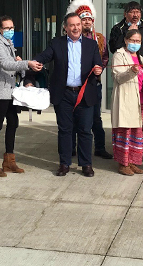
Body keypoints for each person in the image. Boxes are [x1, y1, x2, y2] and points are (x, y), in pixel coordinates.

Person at [32, 13, 103, 177]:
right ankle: (64, 163)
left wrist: (98, 70)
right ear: (65, 28)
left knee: (85, 130)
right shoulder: (57, 43)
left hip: (84, 94)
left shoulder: (91, 45)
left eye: (78, 24)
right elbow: (43, 56)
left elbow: (97, 64)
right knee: (65, 130)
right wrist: (31, 63)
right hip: (63, 94)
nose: (76, 28)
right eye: (72, 25)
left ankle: (86, 164)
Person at [0, 16, 41, 177]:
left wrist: (22, 65)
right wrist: (27, 63)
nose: (10, 31)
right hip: (0, 90)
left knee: (13, 122)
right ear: (0, 29)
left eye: (12, 28)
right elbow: (5, 64)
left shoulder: (9, 44)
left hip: (11, 90)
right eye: (7, 28)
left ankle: (9, 161)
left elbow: (14, 67)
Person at [66, 0, 112, 159]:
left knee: (95, 118)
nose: (87, 22)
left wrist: (98, 69)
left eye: (89, 19)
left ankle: (99, 147)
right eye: (83, 19)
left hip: (93, 84)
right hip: (74, 85)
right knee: (72, 119)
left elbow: (105, 56)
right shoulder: (72, 37)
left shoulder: (99, 38)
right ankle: (71, 148)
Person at [109, 1, 143, 157]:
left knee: (142, 121)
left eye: (138, 12)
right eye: (132, 12)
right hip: (127, 82)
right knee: (126, 122)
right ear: (125, 14)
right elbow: (113, 47)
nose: (135, 15)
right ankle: (124, 156)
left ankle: (141, 148)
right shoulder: (118, 29)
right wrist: (127, 33)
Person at [111, 30, 143, 176]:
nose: (135, 44)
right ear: (126, 40)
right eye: (133, 40)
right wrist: (131, 71)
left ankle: (132, 162)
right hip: (126, 99)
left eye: (138, 41)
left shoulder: (141, 58)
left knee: (137, 133)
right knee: (125, 132)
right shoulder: (119, 55)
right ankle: (123, 164)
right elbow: (118, 78)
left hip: (140, 99)